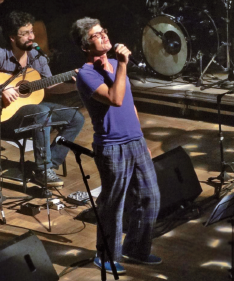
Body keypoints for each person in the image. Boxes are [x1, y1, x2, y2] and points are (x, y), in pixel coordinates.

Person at [71, 17, 161, 275]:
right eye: (96, 35)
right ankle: (106, 255)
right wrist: (122, 64)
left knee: (150, 197)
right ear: (84, 46)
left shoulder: (113, 64)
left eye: (104, 31)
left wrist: (141, 139)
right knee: (114, 205)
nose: (104, 37)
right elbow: (115, 98)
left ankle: (136, 249)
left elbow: (130, 104)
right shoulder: (86, 75)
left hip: (135, 142)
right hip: (112, 147)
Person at [0, 11, 85, 187]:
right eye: (25, 33)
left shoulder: (37, 56)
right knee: (41, 111)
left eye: (31, 32)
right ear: (12, 37)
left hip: (31, 112)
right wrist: (1, 88)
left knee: (76, 118)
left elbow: (50, 85)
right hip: (6, 117)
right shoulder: (0, 55)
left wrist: (76, 85)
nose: (31, 37)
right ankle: (43, 170)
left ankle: (48, 165)